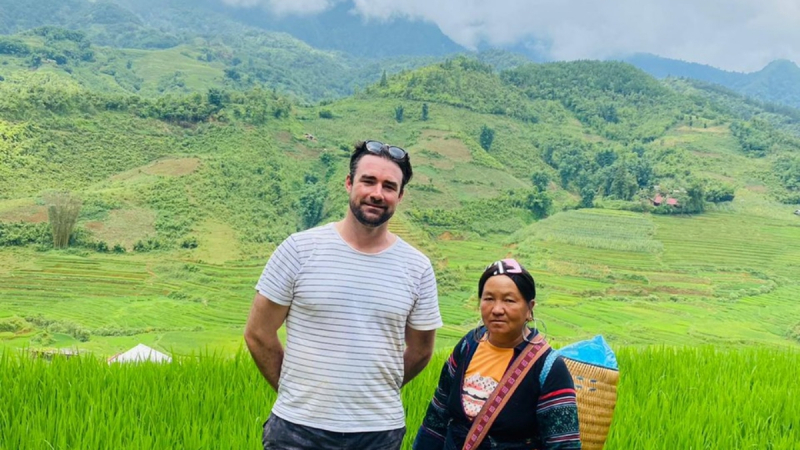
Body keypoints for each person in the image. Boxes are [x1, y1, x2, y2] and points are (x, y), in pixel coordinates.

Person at [245, 140, 443, 450]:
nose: (377, 193)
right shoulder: (299, 250)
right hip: (297, 430)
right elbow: (258, 333)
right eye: (368, 181)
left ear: (400, 196)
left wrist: (373, 389)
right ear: (349, 183)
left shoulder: (417, 267)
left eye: (389, 186)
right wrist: (294, 391)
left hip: (378, 432)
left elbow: (420, 351)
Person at [413, 259, 581, 450]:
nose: (497, 309)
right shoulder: (468, 345)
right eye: (489, 298)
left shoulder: (548, 367)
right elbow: (437, 416)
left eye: (509, 300)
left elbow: (564, 444)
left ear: (529, 308)